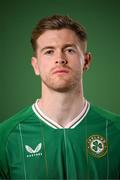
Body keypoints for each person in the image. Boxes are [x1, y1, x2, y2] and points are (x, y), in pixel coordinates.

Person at [0, 15, 120, 180]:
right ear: (36, 65)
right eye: (49, 51)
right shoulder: (5, 137)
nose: (60, 59)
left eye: (69, 50)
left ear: (86, 61)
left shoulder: (116, 130)